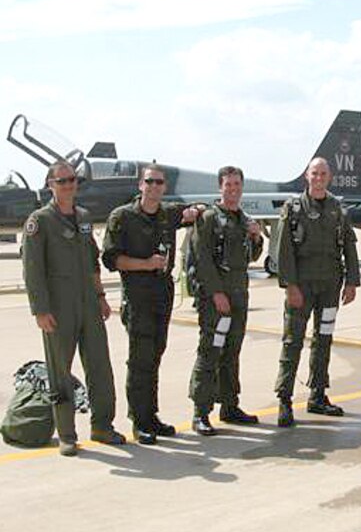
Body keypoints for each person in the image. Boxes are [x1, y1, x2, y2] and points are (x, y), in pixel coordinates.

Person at [21, 161, 126, 456]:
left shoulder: (82, 217)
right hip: (58, 308)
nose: (69, 184)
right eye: (62, 180)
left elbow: (92, 261)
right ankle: (67, 434)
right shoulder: (39, 221)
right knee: (60, 372)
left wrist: (101, 296)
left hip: (89, 306)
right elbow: (32, 270)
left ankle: (103, 426)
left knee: (100, 367)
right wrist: (40, 310)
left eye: (73, 179)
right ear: (51, 184)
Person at [102, 164, 202, 444]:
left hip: (162, 293)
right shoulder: (122, 217)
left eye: (159, 182)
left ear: (165, 187)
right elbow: (111, 260)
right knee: (139, 359)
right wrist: (145, 264)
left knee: (156, 354)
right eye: (150, 181)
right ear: (140, 185)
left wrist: (195, 211)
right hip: (138, 295)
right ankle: (139, 420)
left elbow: (190, 212)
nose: (155, 186)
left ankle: (152, 416)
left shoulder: (167, 214)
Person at [273, 157, 360, 427]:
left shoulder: (338, 208)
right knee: (293, 341)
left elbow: (349, 245)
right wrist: (290, 286)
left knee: (324, 339)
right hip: (302, 286)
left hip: (330, 288)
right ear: (307, 177)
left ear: (329, 177)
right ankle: (284, 399)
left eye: (323, 173)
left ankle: (318, 395)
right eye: (315, 173)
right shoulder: (293, 208)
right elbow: (283, 249)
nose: (319, 178)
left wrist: (352, 282)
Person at [188, 166, 263, 435]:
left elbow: (251, 257)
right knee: (210, 351)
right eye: (228, 185)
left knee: (232, 352)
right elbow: (202, 259)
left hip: (239, 295)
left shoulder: (244, 219)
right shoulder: (208, 218)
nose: (233, 189)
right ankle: (200, 411)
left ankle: (230, 406)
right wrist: (216, 293)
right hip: (216, 299)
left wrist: (256, 236)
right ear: (220, 187)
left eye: (237, 184)